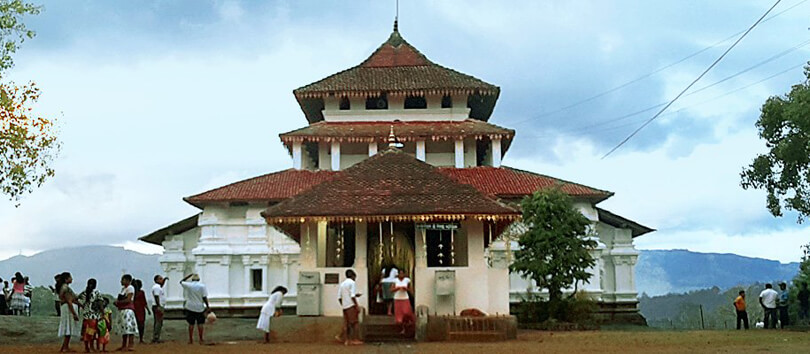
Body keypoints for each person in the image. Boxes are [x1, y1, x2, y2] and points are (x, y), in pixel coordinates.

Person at [180, 273, 210, 345]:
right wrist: (208, 306)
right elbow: (204, 297)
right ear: (199, 279)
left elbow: (181, 281)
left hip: (190, 306)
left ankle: (190, 339)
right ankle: (201, 339)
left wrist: (188, 276)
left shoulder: (189, 285)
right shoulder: (202, 286)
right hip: (199, 307)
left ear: (192, 279)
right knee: (200, 324)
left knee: (191, 324)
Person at [56, 272, 80, 353]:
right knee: (68, 326)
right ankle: (65, 347)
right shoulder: (65, 288)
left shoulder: (63, 287)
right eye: (70, 277)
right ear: (66, 279)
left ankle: (65, 346)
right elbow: (69, 301)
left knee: (67, 327)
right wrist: (74, 313)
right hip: (68, 308)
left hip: (65, 308)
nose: (72, 279)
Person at [77, 278, 103, 353]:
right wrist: (102, 313)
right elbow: (100, 304)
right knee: (92, 332)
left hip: (86, 315)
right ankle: (92, 347)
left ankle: (87, 348)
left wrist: (84, 308)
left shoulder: (84, 293)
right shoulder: (97, 293)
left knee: (86, 331)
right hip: (94, 316)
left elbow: (79, 302)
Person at [337, 269, 363, 346]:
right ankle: (354, 339)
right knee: (355, 323)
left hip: (345, 306)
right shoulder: (352, 283)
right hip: (351, 305)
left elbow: (339, 297)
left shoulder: (342, 284)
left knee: (347, 323)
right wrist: (356, 305)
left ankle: (346, 339)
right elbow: (352, 296)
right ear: (353, 276)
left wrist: (344, 304)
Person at [115, 274, 138, 351]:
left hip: (127, 310)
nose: (121, 281)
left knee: (129, 328)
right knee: (124, 328)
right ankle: (124, 345)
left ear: (127, 280)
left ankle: (130, 345)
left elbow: (128, 299)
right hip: (122, 309)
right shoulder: (123, 289)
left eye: (123, 280)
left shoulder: (130, 288)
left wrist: (118, 302)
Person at [391, 269, 415, 335]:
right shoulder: (395, 280)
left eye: (402, 273)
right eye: (400, 273)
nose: (401, 275)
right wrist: (397, 288)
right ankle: (402, 329)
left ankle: (408, 325)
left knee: (407, 312)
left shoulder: (407, 280)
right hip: (397, 298)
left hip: (405, 298)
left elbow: (411, 290)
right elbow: (391, 289)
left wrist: (406, 289)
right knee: (399, 317)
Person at [132, 279, 151, 344]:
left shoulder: (133, 293)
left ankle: (134, 339)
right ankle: (140, 338)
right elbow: (144, 302)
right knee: (141, 324)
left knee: (136, 324)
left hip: (135, 309)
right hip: (140, 310)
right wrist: (148, 310)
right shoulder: (141, 292)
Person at [151, 274, 168, 343]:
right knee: (158, 322)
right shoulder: (157, 288)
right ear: (157, 280)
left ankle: (156, 336)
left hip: (158, 305)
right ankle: (156, 337)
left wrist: (164, 280)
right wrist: (158, 306)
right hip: (157, 306)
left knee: (158, 322)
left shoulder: (158, 287)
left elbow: (162, 285)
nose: (162, 280)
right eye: (160, 279)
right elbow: (156, 296)